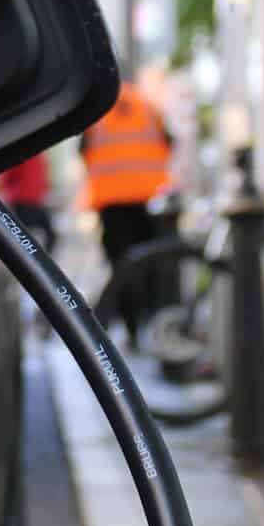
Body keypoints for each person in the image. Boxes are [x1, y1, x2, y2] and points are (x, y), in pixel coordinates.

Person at [80, 80, 174, 342]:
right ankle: (154, 325)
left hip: (111, 201)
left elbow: (85, 152)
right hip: (148, 199)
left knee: (121, 266)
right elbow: (168, 144)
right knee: (150, 263)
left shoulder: (97, 108)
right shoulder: (147, 106)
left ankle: (133, 328)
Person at [0, 152, 54, 251]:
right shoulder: (18, 155)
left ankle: (39, 260)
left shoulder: (37, 156)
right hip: (22, 202)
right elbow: (4, 179)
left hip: (36, 202)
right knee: (24, 237)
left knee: (49, 234)